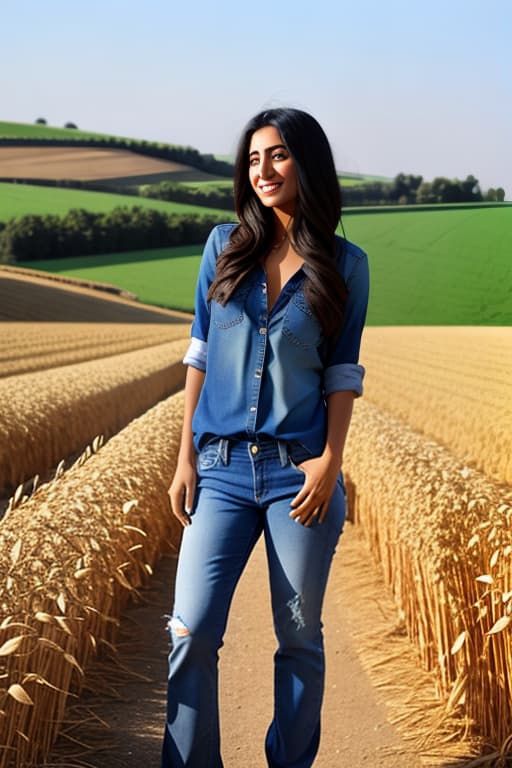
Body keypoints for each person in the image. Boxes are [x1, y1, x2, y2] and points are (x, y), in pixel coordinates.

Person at [162, 107, 369, 768]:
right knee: (190, 630)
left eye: (277, 155)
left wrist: (331, 463)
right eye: (253, 159)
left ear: (306, 162)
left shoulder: (345, 264)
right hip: (219, 467)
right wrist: (184, 455)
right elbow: (198, 352)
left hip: (297, 475)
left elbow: (342, 371)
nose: (263, 170)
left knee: (300, 639)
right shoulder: (222, 246)